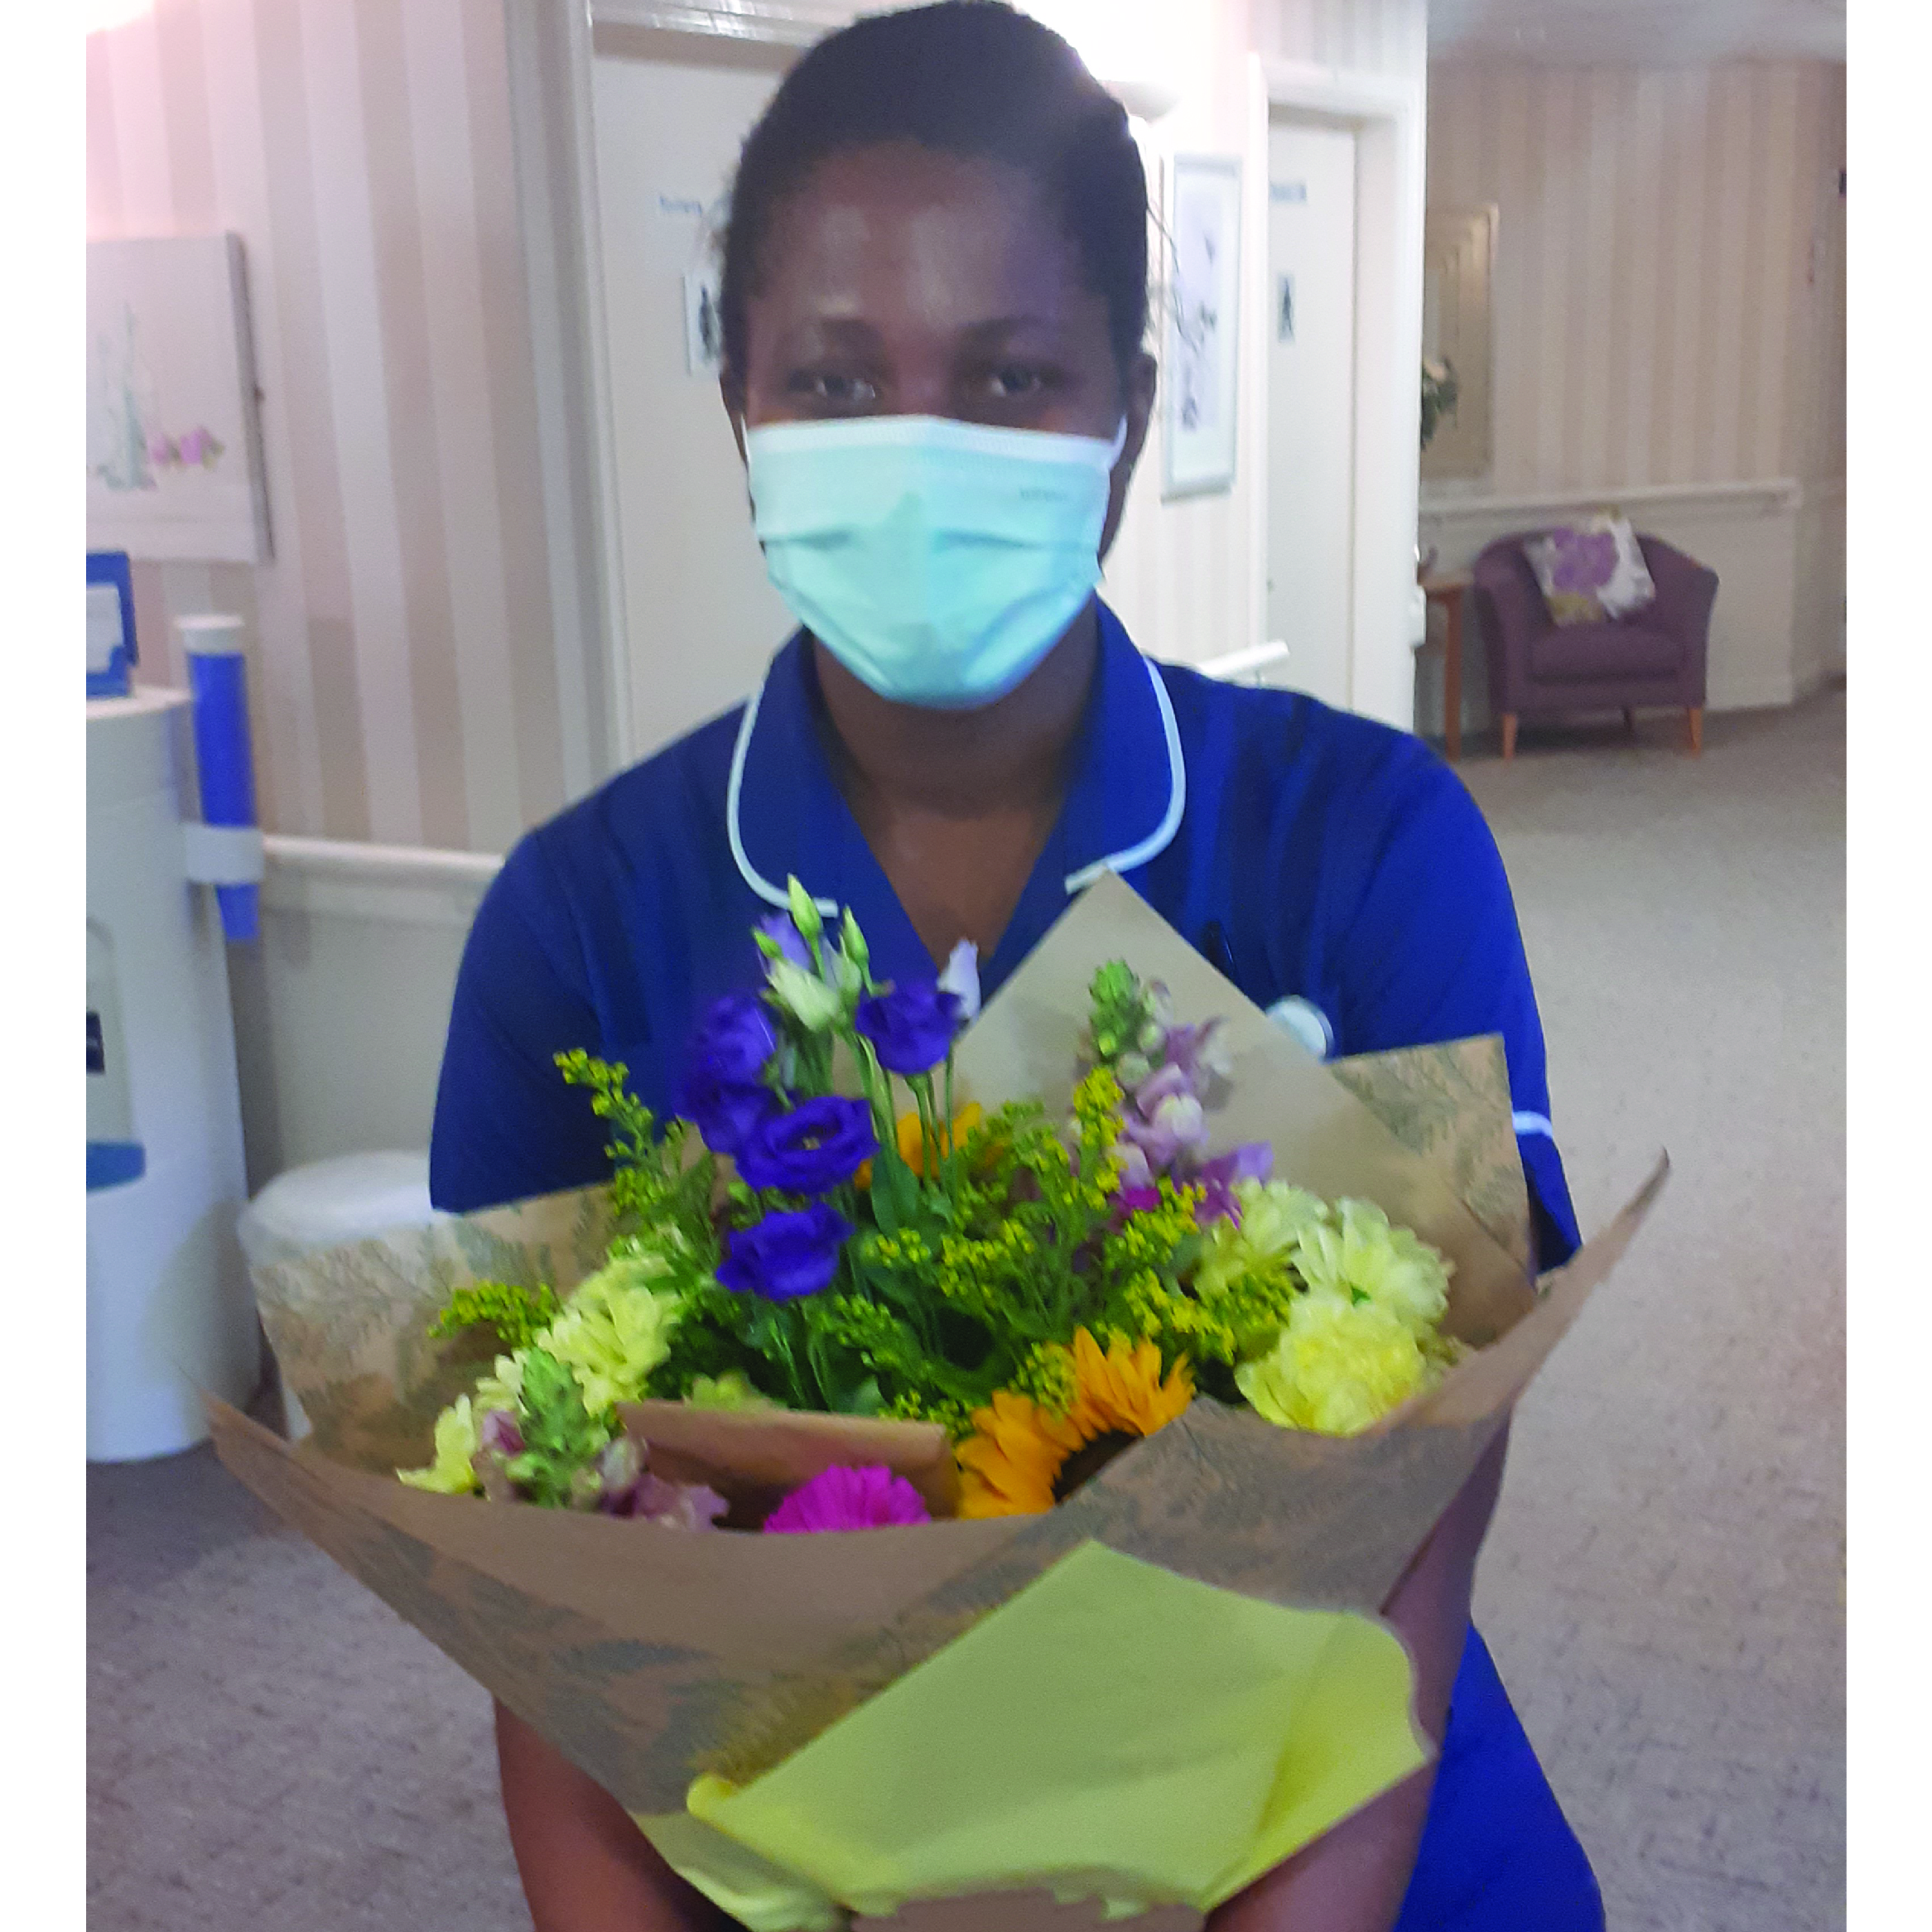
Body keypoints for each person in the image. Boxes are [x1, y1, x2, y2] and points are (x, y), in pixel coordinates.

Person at [429, 6, 1604, 1929]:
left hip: (1352, 1850)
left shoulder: (1364, 842)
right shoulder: (578, 921)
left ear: (1124, 416)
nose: (918, 450)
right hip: (785, 1866)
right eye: (829, 375)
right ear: (735, 400)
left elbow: (1425, 1497)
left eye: (1007, 375)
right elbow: (528, 1578)